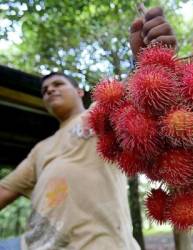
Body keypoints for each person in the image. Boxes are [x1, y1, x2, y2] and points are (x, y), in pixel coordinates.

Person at [0, 7, 176, 250]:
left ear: (79, 92)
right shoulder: (40, 149)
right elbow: (4, 190)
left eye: (57, 84)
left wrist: (146, 63)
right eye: (44, 90)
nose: (49, 90)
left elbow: (134, 92)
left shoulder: (98, 112)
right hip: (28, 244)